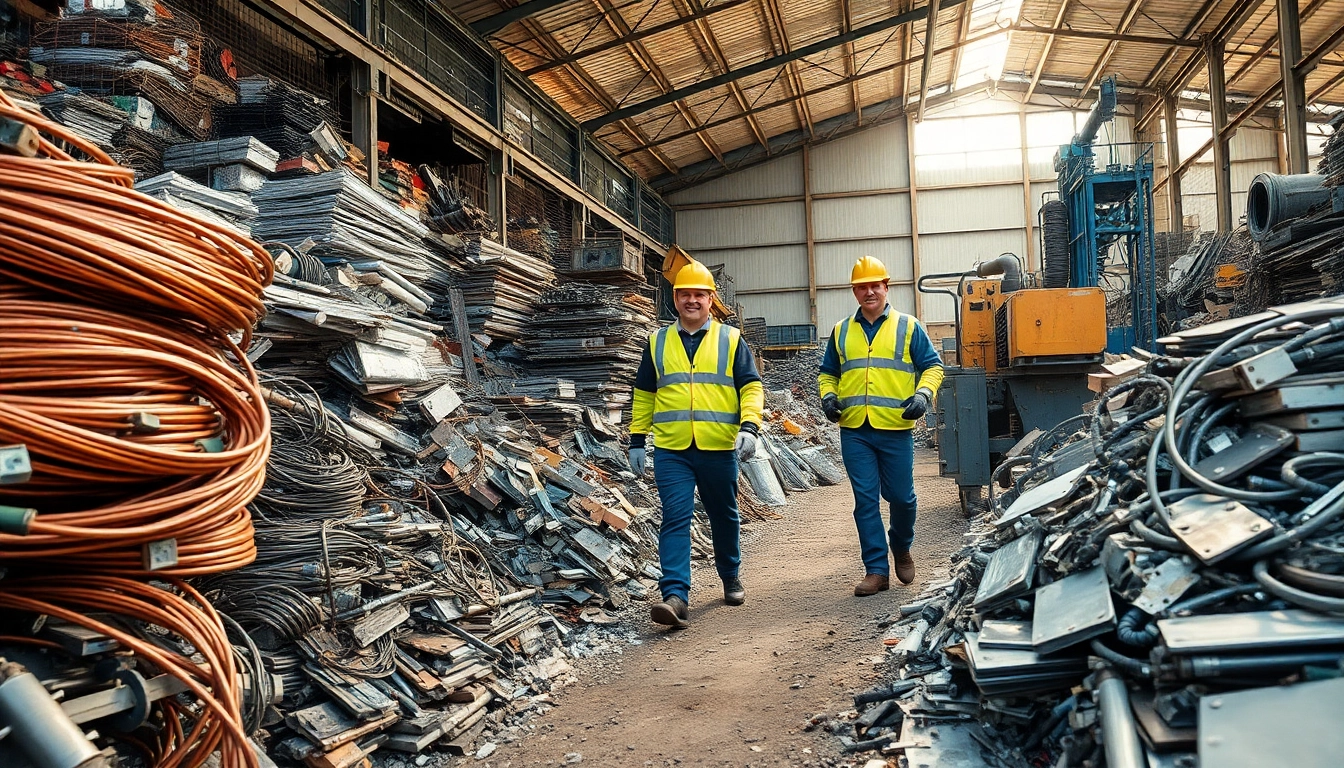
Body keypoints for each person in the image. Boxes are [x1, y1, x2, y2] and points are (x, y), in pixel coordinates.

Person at [629, 261, 764, 628]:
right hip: (673, 450)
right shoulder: (657, 342)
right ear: (675, 298)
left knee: (723, 515)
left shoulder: (731, 340)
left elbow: (751, 387)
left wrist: (750, 427)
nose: (692, 300)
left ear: (711, 300)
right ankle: (675, 596)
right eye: (685, 294)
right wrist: (637, 440)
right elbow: (644, 394)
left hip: (719, 448)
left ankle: (730, 575)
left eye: (699, 295)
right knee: (675, 517)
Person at [818, 256, 944, 596]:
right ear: (855, 292)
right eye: (863, 287)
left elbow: (933, 367)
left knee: (902, 499)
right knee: (865, 500)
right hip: (855, 429)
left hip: (895, 427)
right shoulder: (842, 331)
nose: (870, 292)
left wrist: (923, 395)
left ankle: (901, 545)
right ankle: (876, 570)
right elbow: (828, 373)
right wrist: (829, 397)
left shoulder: (908, 326)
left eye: (876, 285)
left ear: (886, 287)